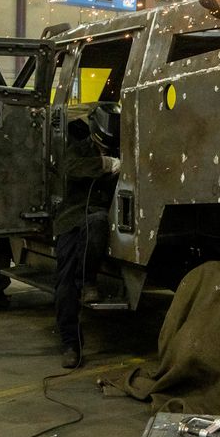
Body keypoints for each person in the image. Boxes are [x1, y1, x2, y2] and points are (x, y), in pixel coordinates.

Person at [54, 102, 121, 368]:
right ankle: (70, 343)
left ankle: (88, 280)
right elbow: (70, 168)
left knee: (97, 221)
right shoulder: (79, 149)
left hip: (97, 218)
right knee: (64, 283)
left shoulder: (121, 149)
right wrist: (103, 164)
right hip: (71, 218)